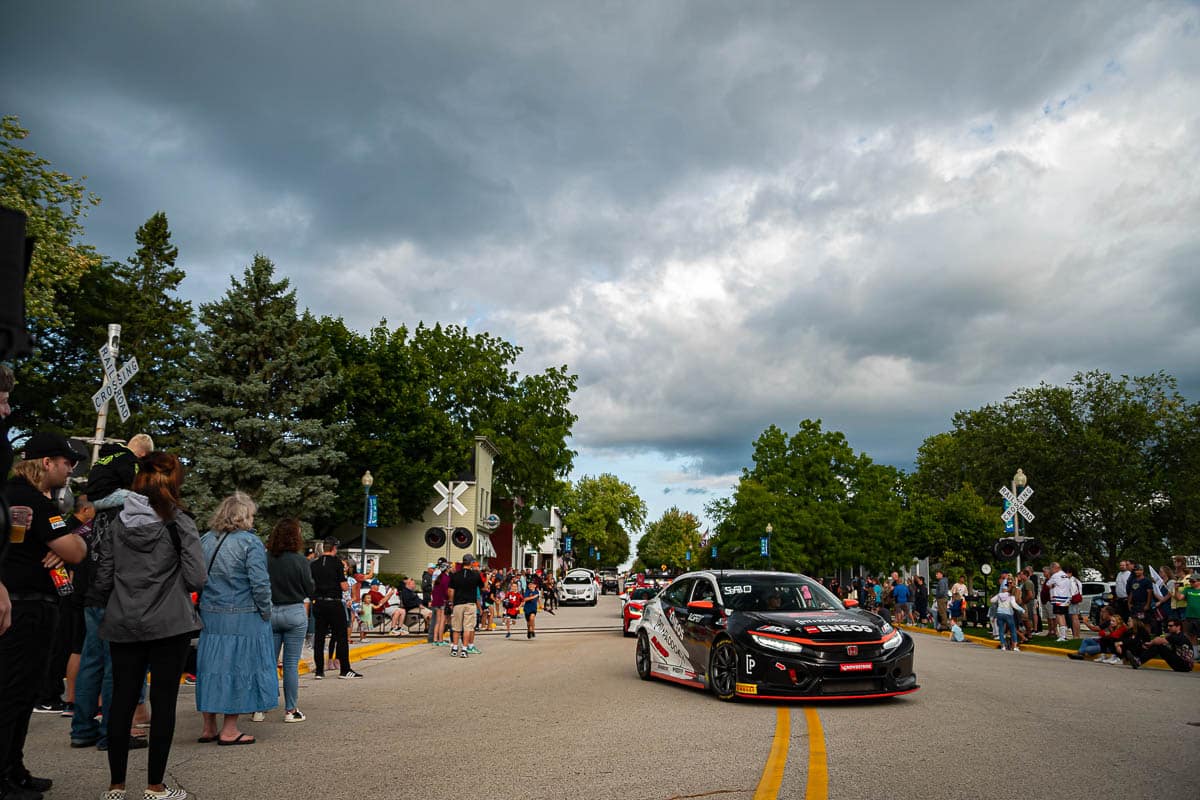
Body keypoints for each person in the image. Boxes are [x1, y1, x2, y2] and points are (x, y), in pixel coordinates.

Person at [93, 452, 205, 800]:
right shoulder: (179, 522)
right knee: (163, 702)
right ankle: (155, 785)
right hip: (169, 622)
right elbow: (197, 576)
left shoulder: (118, 523)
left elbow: (104, 576)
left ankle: (116, 786)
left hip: (123, 621)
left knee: (121, 702)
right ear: (174, 481)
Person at [0, 432, 88, 800]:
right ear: (47, 462)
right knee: (12, 694)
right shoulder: (35, 500)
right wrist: (66, 544)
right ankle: (5, 776)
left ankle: (14, 769)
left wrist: (63, 547)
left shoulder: (11, 494)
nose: (70, 471)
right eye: (67, 463)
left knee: (21, 694)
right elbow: (75, 550)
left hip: (25, 604)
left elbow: (68, 550)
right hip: (26, 607)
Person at [195, 493, 279, 746]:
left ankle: (208, 726)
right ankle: (230, 729)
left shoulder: (206, 540)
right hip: (243, 615)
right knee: (238, 668)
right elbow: (260, 583)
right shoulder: (249, 543)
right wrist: (266, 611)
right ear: (244, 516)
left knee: (211, 668)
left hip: (210, 614)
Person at [266, 518, 314, 724]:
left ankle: (259, 709)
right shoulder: (300, 560)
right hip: (294, 610)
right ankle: (290, 709)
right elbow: (310, 588)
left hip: (270, 611)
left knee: (268, 663)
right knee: (290, 664)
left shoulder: (266, 558)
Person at [309, 537, 360, 678]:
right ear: (334, 548)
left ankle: (319, 671)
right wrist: (348, 586)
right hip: (334, 602)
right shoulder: (337, 563)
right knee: (341, 636)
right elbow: (344, 586)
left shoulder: (314, 564)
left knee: (319, 637)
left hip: (318, 602)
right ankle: (345, 669)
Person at [448, 553, 483, 658]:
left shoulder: (455, 575)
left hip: (458, 603)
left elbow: (451, 591)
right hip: (470, 603)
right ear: (471, 563)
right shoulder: (475, 575)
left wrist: (451, 602)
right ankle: (464, 649)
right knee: (468, 627)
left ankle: (454, 648)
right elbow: (483, 587)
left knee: (456, 627)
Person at [990, 585, 1023, 652]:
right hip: (1008, 614)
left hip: (999, 613)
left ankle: (1003, 646)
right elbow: (1014, 605)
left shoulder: (999, 595)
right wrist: (1022, 610)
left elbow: (992, 600)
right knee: (1013, 630)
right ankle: (1014, 646)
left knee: (1001, 630)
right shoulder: (1011, 596)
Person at [429, 558, 451, 646]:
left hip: (436, 602)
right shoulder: (446, 578)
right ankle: (440, 639)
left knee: (437, 621)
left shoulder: (438, 578)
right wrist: (449, 600)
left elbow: (434, 591)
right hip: (442, 602)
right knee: (442, 621)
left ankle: (435, 639)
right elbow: (447, 591)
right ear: (446, 569)